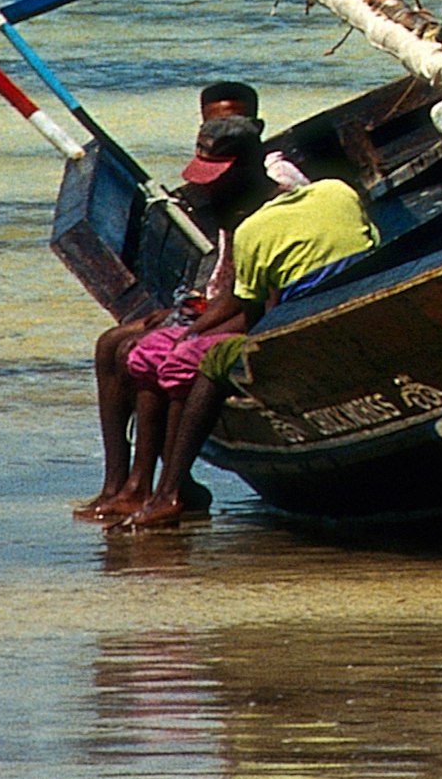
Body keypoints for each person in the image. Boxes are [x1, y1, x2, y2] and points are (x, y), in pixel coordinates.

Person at [107, 158, 382, 532]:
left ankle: (169, 491)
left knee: (210, 360)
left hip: (301, 328)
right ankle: (154, 488)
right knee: (155, 351)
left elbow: (257, 312)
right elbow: (373, 244)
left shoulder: (252, 231)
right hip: (359, 305)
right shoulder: (337, 190)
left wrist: (194, 333)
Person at [68, 82, 265, 520]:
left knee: (150, 351)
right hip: (206, 300)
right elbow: (216, 263)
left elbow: (245, 287)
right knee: (110, 344)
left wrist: (193, 322)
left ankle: (160, 485)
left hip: (227, 309)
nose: (219, 129)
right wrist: (187, 306)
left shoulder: (259, 193)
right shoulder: (215, 190)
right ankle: (119, 483)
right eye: (210, 124)